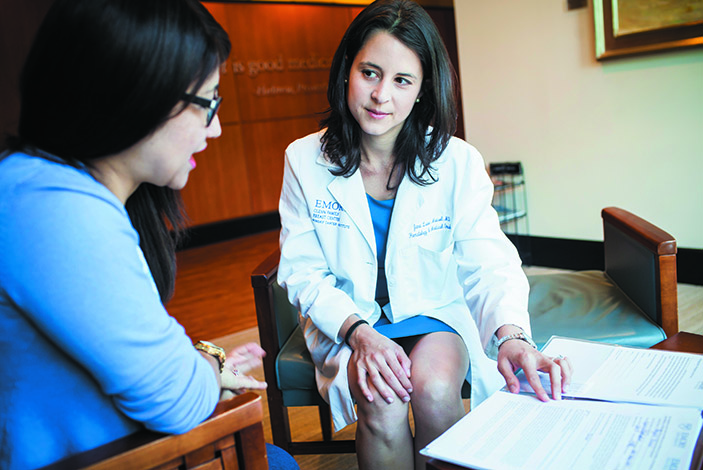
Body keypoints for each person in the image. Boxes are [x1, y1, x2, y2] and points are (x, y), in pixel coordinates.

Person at [0, 1, 298, 469]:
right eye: (207, 103)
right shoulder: (55, 209)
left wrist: (198, 368)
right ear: (135, 93)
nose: (216, 127)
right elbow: (176, 402)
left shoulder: (45, 191)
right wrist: (199, 372)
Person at [277, 1, 573, 469]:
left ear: (421, 90)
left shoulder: (455, 161)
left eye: (401, 81)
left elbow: (488, 261)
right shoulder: (304, 160)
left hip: (431, 308)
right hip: (351, 319)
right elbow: (302, 272)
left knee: (435, 389)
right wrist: (358, 334)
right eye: (369, 73)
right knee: (381, 399)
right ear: (346, 70)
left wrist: (514, 336)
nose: (380, 96)